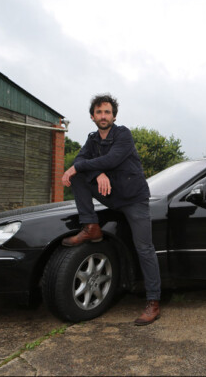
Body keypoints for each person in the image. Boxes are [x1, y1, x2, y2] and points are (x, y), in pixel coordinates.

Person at [61, 94, 162, 325]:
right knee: (77, 176)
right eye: (99, 112)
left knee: (144, 248)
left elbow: (112, 159)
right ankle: (91, 226)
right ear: (92, 116)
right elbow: (82, 158)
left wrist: (85, 167)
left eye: (107, 112)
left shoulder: (123, 134)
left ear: (113, 116)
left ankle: (153, 302)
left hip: (134, 198)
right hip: (111, 195)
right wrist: (96, 173)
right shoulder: (92, 139)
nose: (103, 116)